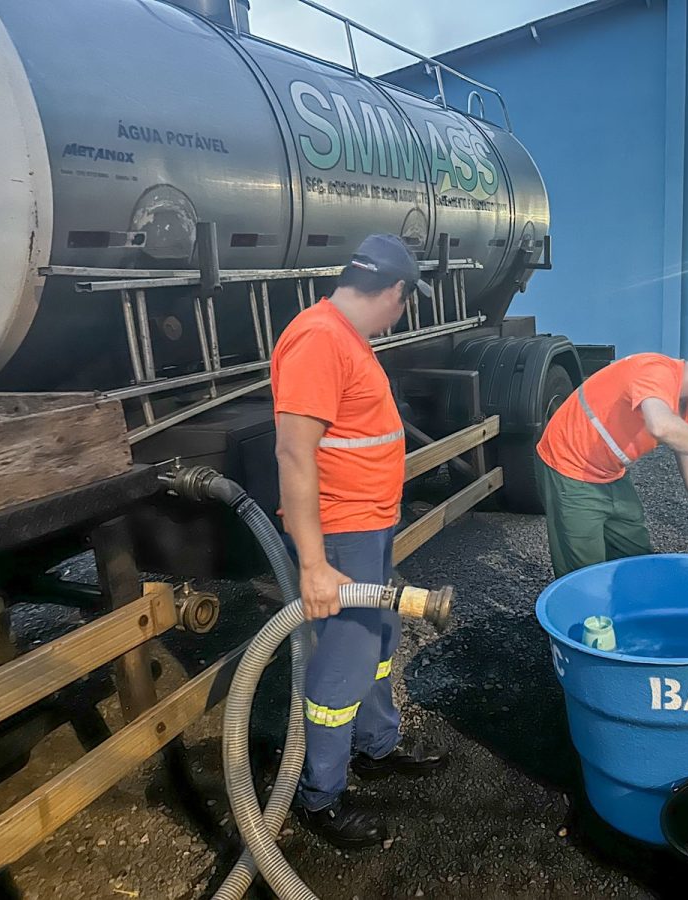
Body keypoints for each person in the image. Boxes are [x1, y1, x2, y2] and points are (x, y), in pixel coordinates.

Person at [272, 234, 448, 849]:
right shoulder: (320, 339)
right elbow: (294, 453)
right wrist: (315, 565)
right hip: (341, 532)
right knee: (344, 659)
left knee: (378, 634)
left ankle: (375, 743)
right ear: (395, 291)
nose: (402, 312)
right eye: (405, 301)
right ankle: (320, 796)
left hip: (366, 524)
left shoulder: (344, 337)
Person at [535, 340, 688, 579]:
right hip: (569, 466)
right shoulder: (656, 370)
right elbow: (660, 425)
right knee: (584, 574)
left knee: (636, 557)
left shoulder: (687, 413)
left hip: (611, 474)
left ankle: (631, 609)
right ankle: (587, 613)